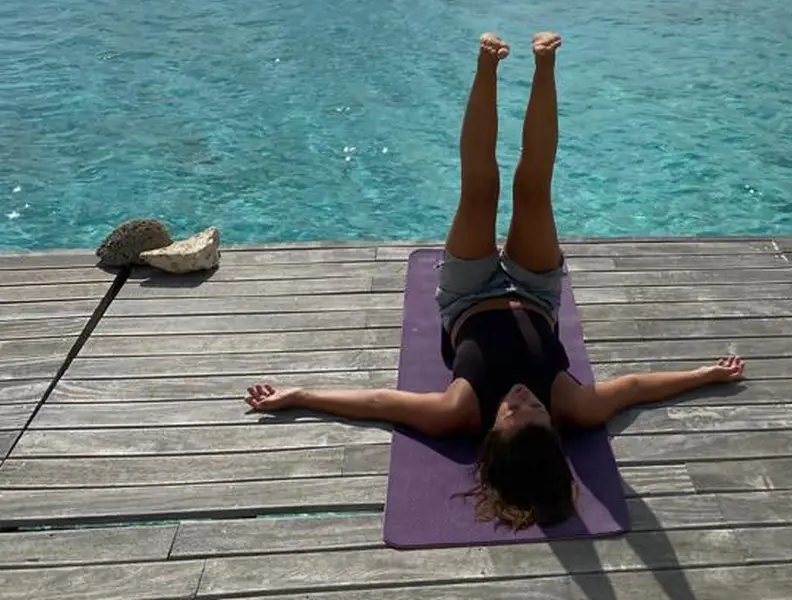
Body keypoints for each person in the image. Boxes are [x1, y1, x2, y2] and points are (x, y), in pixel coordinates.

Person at [246, 32, 744, 531]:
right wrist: (705, 375)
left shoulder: (457, 413)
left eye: (512, 410)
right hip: (536, 292)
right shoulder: (573, 407)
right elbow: (636, 388)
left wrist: (298, 395)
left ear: (491, 433)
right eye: (535, 409)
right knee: (534, 187)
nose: (522, 396)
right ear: (553, 427)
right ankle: (545, 65)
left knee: (480, 186)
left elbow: (377, 403)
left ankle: (486, 66)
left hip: (467, 293)